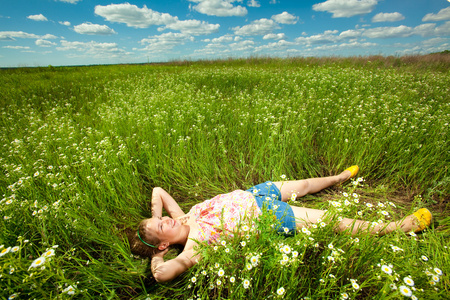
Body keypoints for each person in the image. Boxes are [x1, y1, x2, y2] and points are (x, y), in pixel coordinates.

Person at [127, 166, 432, 283]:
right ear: (165, 244)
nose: (165, 219)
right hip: (266, 216)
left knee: (308, 184)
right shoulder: (193, 244)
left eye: (160, 217)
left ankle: (340, 177)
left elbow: (158, 192)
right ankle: (400, 227)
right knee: (333, 221)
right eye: (161, 226)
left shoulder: (182, 216)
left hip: (254, 193)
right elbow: (163, 275)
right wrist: (156, 255)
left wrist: (154, 220)